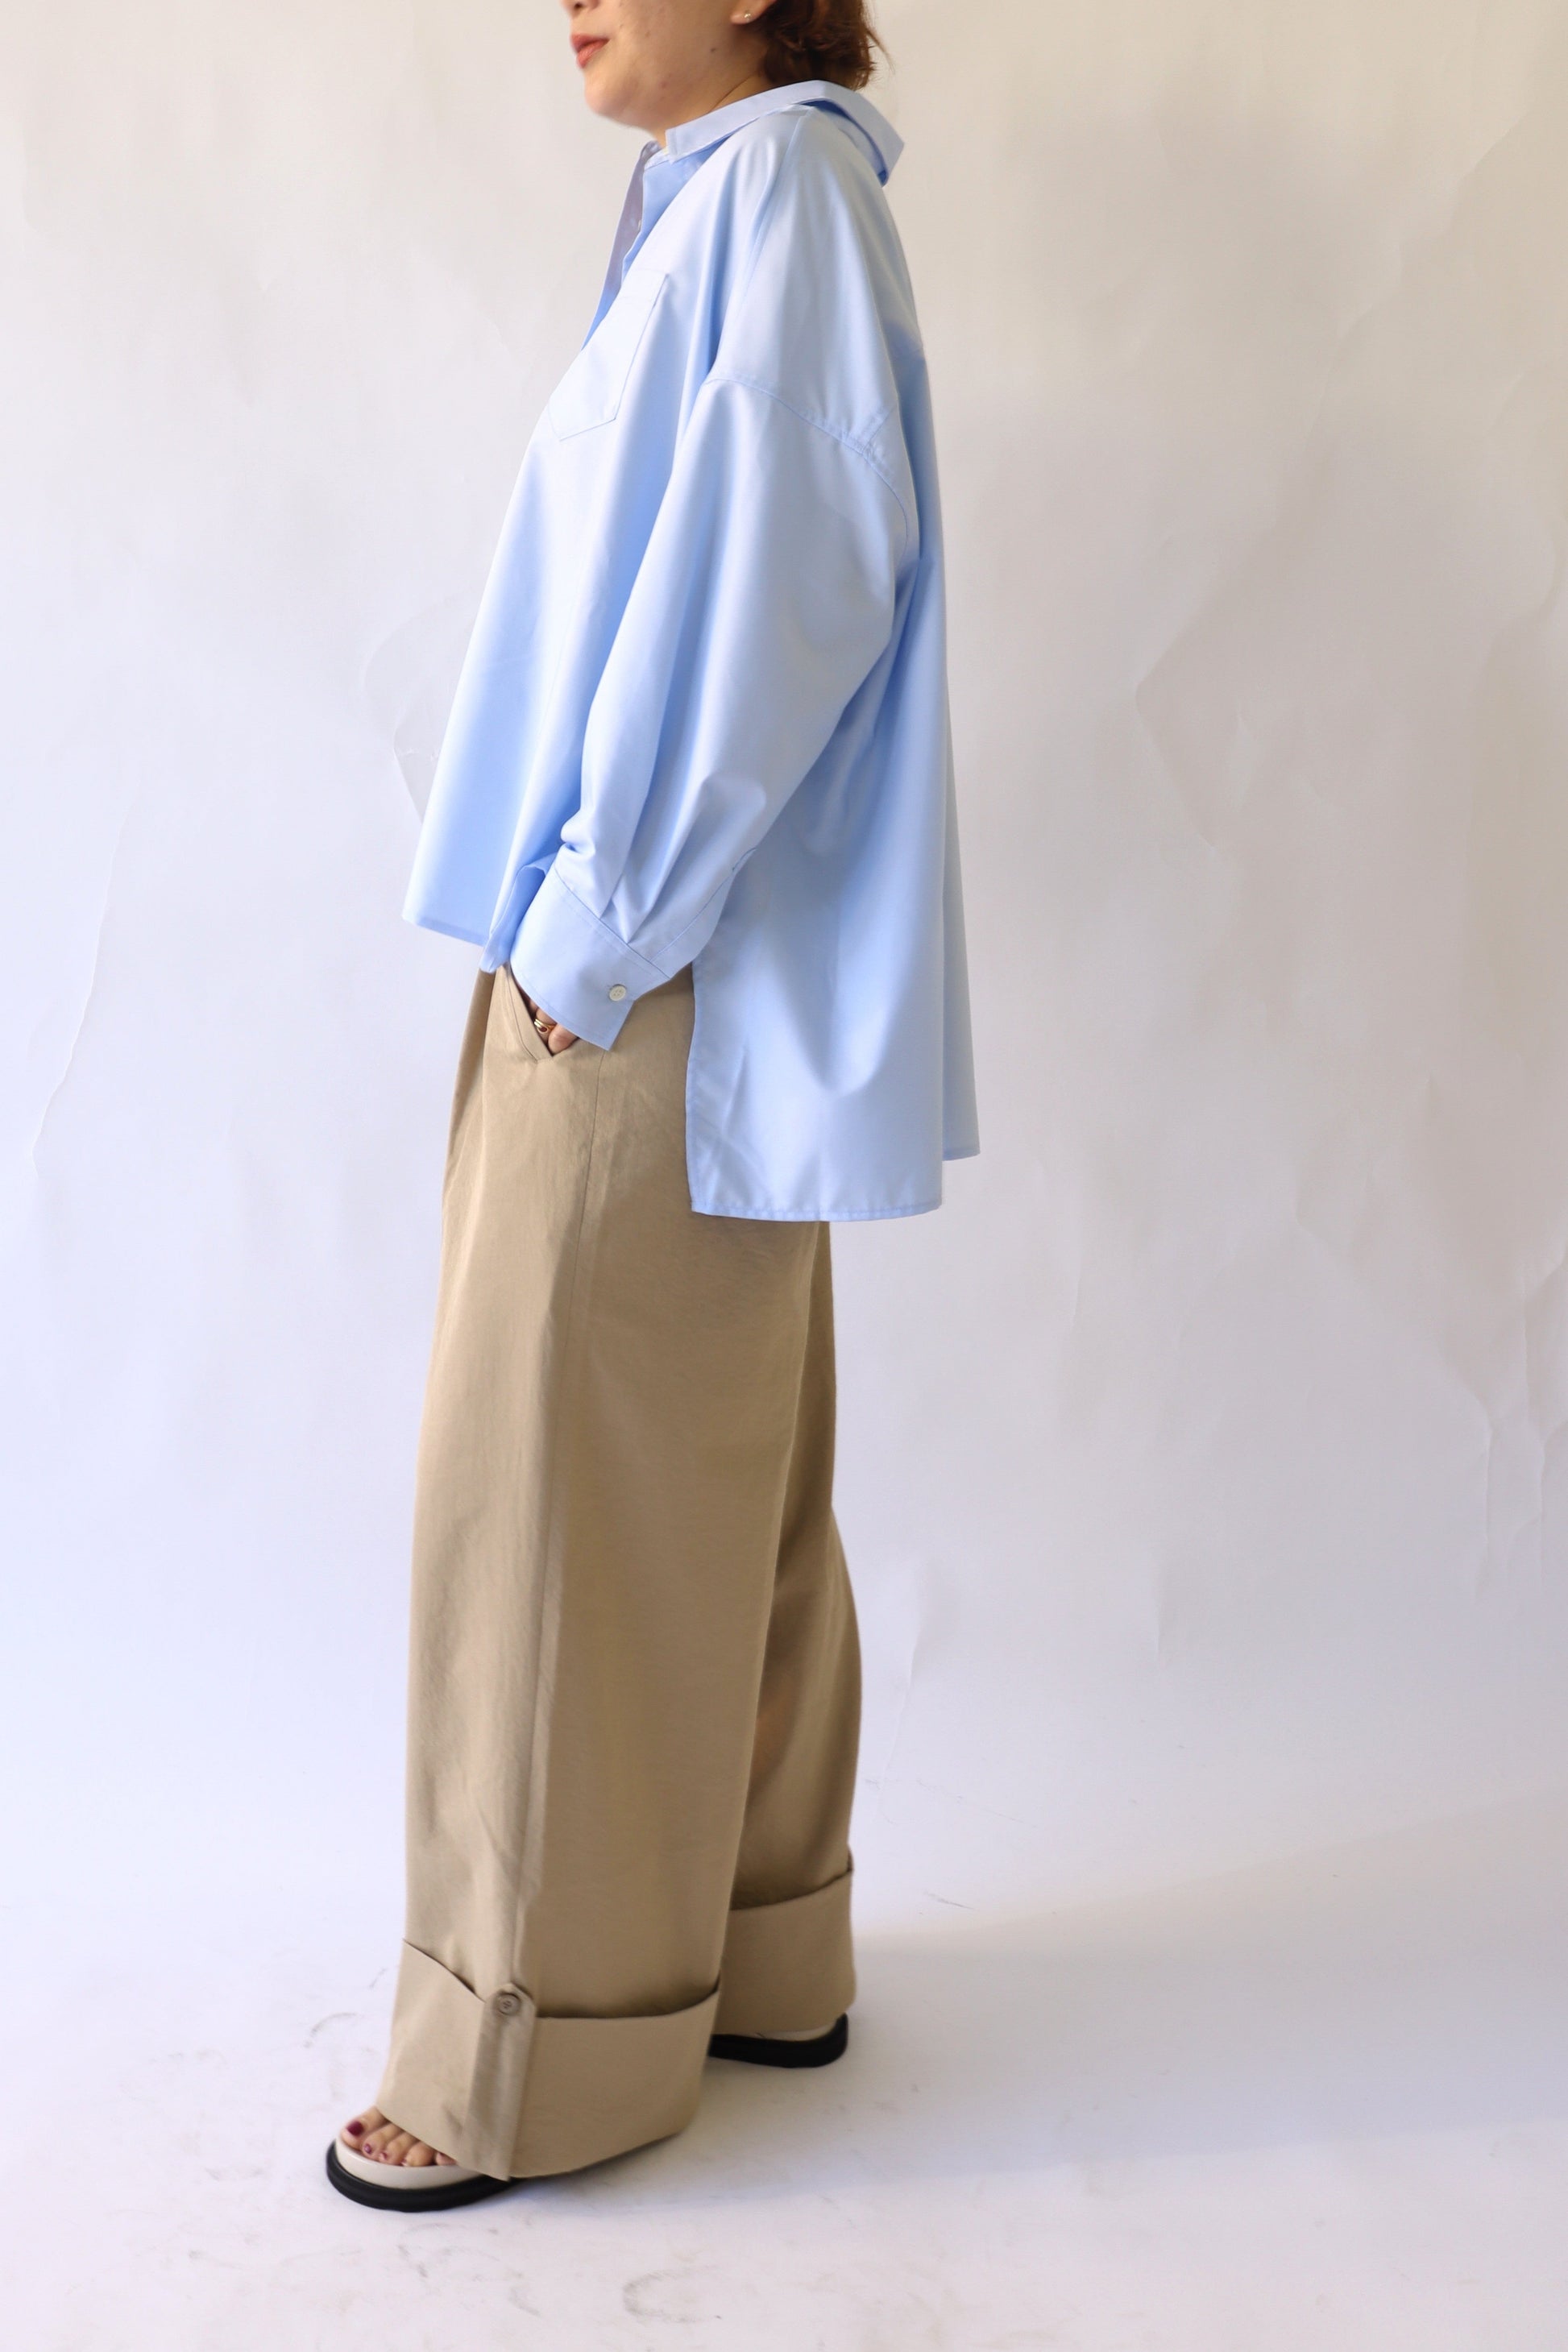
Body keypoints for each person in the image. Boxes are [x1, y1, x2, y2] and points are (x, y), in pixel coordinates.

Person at [326, 0, 977, 2212]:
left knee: (540, 1501)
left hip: (644, 957)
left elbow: (791, 578)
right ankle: (755, 1954)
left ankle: (523, 2052)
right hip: (690, 955)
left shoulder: (775, 192)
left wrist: (591, 928)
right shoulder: (739, 198)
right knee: (718, 1471)